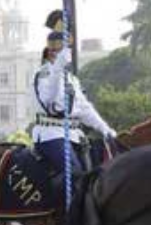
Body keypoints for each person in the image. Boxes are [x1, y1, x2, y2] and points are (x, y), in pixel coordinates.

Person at [31, 10, 116, 177]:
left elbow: (84, 109)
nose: (65, 55)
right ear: (50, 52)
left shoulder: (71, 79)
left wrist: (105, 129)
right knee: (76, 175)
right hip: (50, 135)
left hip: (75, 135)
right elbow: (50, 101)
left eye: (66, 51)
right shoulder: (43, 75)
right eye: (60, 51)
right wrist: (58, 67)